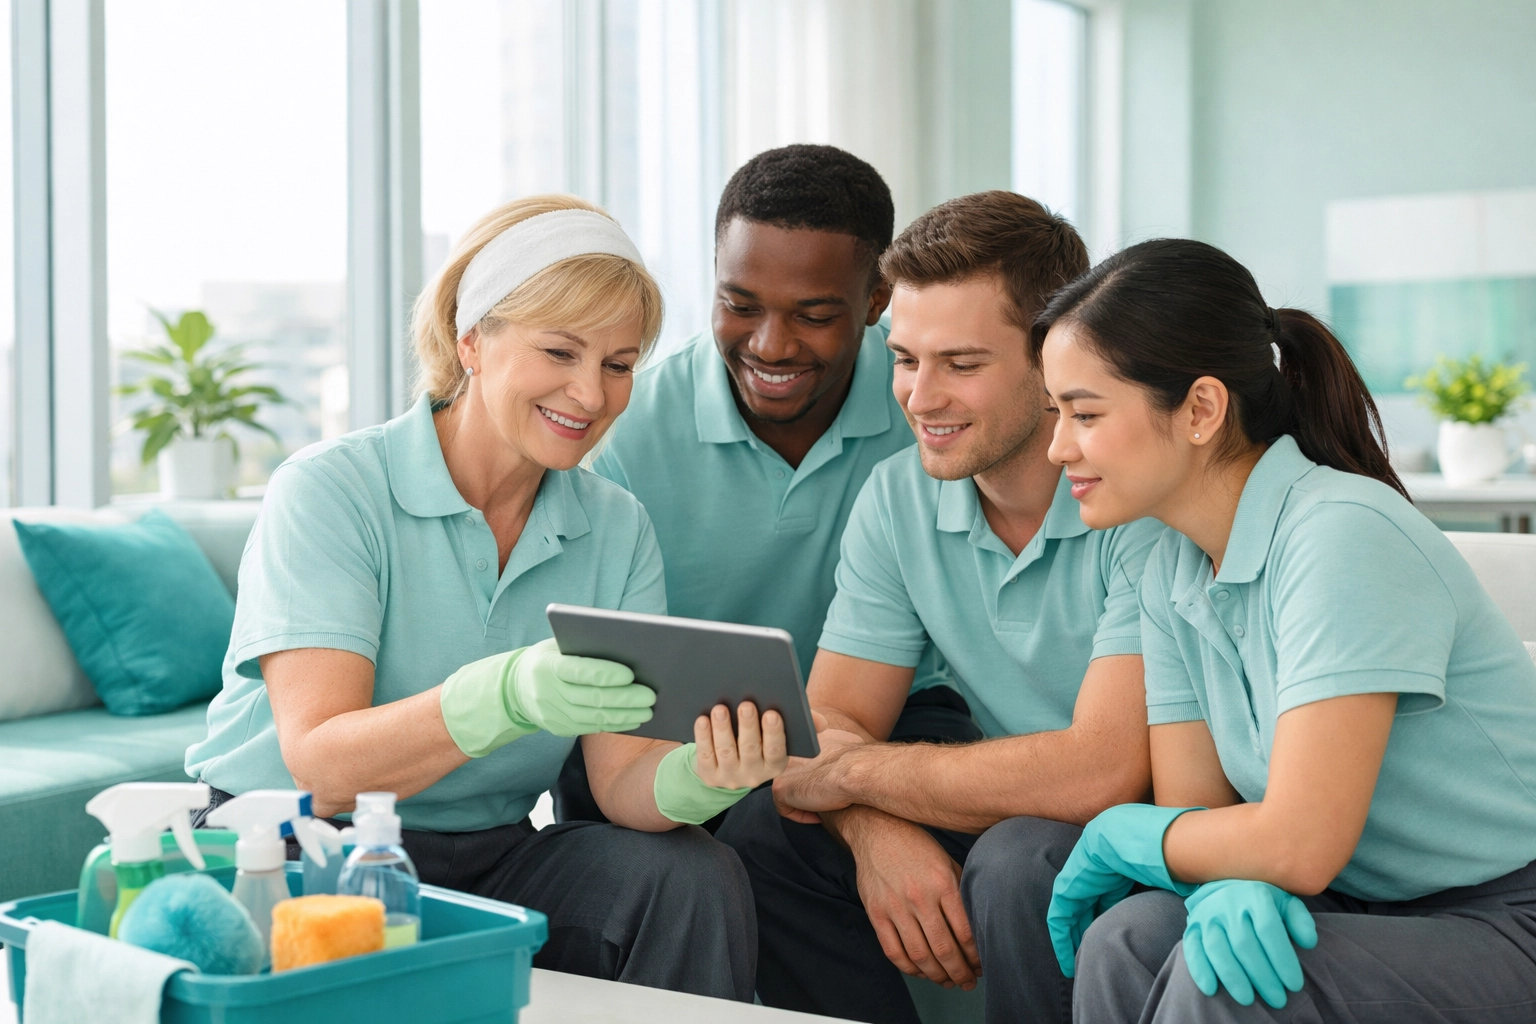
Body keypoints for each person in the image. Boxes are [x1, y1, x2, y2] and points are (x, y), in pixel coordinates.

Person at [184, 195, 788, 1001]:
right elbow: (322, 765)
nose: (591, 394)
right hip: (287, 842)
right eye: (559, 352)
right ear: (471, 342)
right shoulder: (332, 491)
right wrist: (503, 693)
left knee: (688, 875)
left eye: (618, 365)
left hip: (490, 853)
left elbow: (619, 784)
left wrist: (705, 776)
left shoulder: (615, 526)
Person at [1037, 238, 1536, 1023]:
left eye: (1085, 413)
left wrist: (1114, 833)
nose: (1058, 446)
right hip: (1358, 899)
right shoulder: (1170, 565)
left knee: (1220, 983)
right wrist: (1229, 873)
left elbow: (1299, 842)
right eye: (1054, 413)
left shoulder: (1342, 533)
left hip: (1504, 913)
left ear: (1201, 409)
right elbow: (1197, 814)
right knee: (1127, 939)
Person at [716, 191, 1166, 1024]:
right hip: (1012, 800)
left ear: (1054, 362)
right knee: (765, 833)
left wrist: (851, 775)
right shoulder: (898, 500)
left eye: (961, 365)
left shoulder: (1137, 501)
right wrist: (871, 827)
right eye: (905, 359)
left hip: (1149, 825)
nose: (920, 398)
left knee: (1021, 859)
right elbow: (830, 722)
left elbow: (1104, 771)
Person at [557, 144, 967, 825]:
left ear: (876, 302)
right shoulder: (626, 430)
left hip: (890, 718)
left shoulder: (929, 406)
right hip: (680, 731)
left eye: (812, 315)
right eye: (740, 305)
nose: (771, 345)